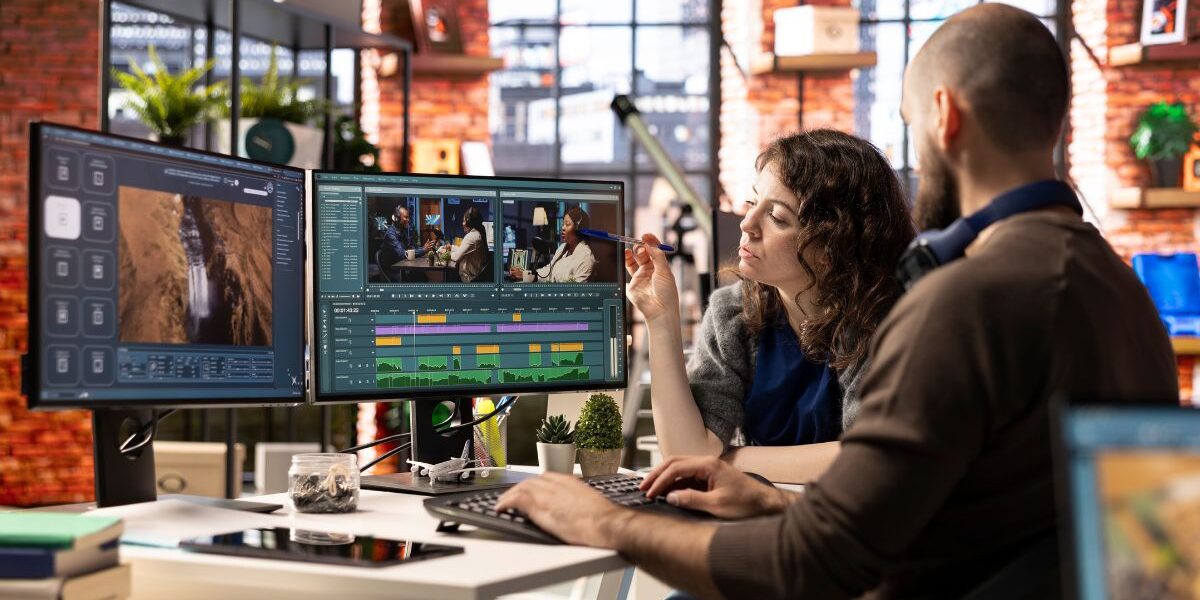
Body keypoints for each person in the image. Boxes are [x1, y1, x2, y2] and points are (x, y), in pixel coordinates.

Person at [495, 5, 1179, 598]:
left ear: (943, 115)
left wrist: (608, 523)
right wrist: (765, 497)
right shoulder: (1120, 292)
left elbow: (816, 565)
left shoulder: (965, 301)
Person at [629, 130, 914, 483]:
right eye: (752, 203)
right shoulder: (732, 313)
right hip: (755, 515)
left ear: (833, 248)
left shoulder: (883, 322)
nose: (747, 224)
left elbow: (869, 458)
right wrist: (661, 320)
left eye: (777, 217)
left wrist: (727, 460)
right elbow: (688, 454)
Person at [509, 207, 596, 283]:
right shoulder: (562, 248)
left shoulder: (586, 258)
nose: (563, 228)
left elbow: (576, 293)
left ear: (579, 229)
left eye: (567, 224)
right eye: (563, 224)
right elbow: (548, 271)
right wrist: (524, 275)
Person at [379, 205, 434, 281]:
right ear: (396, 218)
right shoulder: (390, 235)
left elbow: (411, 248)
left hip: (404, 267)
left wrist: (424, 248)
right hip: (394, 271)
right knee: (420, 276)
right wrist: (423, 250)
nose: (408, 220)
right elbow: (402, 254)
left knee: (421, 275)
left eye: (408, 217)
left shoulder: (402, 232)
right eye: (405, 217)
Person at [443, 206, 488, 282]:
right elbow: (463, 250)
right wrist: (452, 247)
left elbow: (456, 257)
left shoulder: (471, 236)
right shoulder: (477, 234)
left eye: (463, 221)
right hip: (476, 276)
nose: (462, 224)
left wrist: (445, 252)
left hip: (469, 279)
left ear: (469, 222)